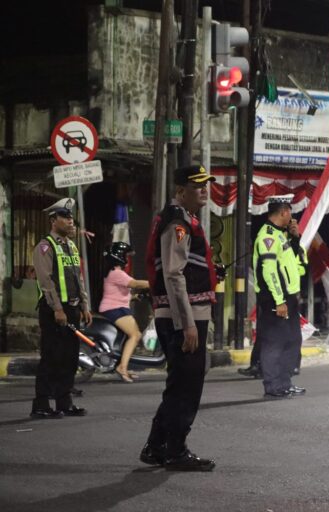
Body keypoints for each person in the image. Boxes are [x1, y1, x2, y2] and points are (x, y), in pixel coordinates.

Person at [141, 164, 217, 471]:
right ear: (179, 191)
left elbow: (184, 267)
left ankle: (156, 446)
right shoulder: (177, 222)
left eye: (205, 184)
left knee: (179, 384)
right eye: (196, 185)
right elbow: (173, 274)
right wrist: (186, 323)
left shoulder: (184, 220)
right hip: (183, 315)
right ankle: (175, 449)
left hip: (181, 312)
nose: (204, 189)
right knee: (187, 386)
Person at [31, 198, 92, 419]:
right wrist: (57, 309)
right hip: (53, 310)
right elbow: (45, 281)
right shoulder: (45, 246)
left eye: (71, 217)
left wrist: (85, 305)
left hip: (73, 309)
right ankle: (41, 405)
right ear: (53, 220)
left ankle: (64, 403)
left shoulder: (71, 246)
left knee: (70, 357)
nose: (70, 221)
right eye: (65, 217)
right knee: (51, 357)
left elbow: (79, 278)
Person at [252, 194, 307, 399]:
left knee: (292, 340)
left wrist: (295, 237)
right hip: (275, 298)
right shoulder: (267, 236)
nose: (292, 216)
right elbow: (269, 271)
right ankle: (273, 385)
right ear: (284, 212)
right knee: (274, 342)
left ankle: (285, 382)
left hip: (289, 297)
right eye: (290, 212)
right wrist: (280, 300)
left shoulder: (281, 234)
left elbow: (293, 261)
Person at [98, 242, 150, 383]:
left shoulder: (113, 272)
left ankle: (123, 366)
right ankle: (122, 367)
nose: (128, 258)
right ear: (120, 257)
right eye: (126, 255)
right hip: (113, 309)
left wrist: (135, 297)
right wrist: (156, 282)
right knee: (135, 335)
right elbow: (135, 284)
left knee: (129, 336)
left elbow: (118, 294)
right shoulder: (116, 273)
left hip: (117, 307)